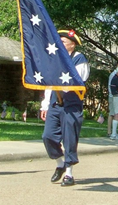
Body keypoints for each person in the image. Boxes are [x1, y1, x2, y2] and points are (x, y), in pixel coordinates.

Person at [40, 29, 90, 187]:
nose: (60, 44)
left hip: (71, 105)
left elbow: (78, 80)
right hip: (55, 104)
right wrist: (45, 105)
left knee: (70, 139)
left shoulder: (79, 59)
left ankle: (69, 174)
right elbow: (49, 84)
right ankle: (60, 163)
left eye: (63, 42)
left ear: (72, 45)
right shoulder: (55, 59)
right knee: (47, 136)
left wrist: (62, 83)